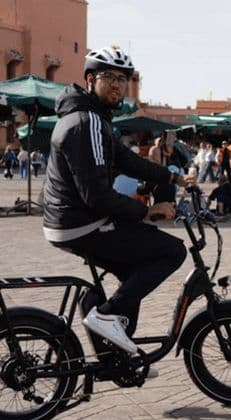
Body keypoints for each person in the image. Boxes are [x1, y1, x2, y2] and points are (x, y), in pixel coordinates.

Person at [42, 46, 194, 356]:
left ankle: (114, 353)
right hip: (81, 223)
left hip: (69, 221)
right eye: (109, 76)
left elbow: (126, 160)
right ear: (90, 79)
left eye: (123, 79)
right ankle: (105, 316)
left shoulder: (93, 119)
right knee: (172, 251)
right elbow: (96, 195)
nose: (117, 84)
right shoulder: (88, 122)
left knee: (133, 275)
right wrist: (147, 210)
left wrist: (172, 177)